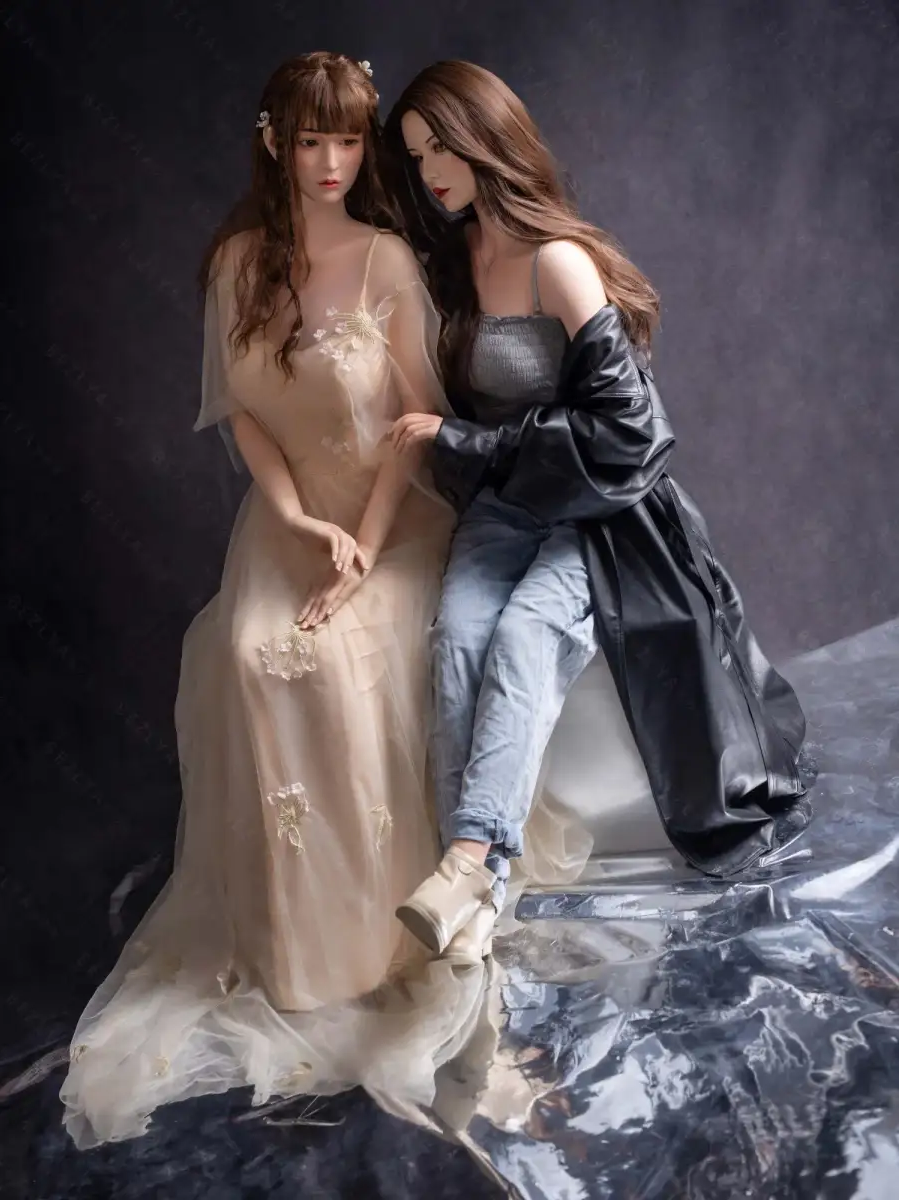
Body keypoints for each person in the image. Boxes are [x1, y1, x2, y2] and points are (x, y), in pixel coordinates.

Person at [59, 52, 482, 1149]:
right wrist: (297, 523)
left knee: (339, 663)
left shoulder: (387, 257)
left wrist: (365, 548)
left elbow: (413, 428)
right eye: (310, 141)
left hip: (391, 522)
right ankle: (299, 951)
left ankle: (381, 941)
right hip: (292, 524)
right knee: (253, 655)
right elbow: (246, 413)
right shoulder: (239, 261)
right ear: (275, 145)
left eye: (347, 140)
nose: (332, 162)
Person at [383, 61, 811, 962]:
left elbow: (632, 432)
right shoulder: (452, 264)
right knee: (457, 637)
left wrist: (466, 443)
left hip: (599, 515)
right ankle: (472, 893)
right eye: (417, 155)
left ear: (486, 139)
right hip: (505, 509)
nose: (431, 172)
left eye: (442, 147)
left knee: (526, 633)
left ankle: (470, 865)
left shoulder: (559, 264)